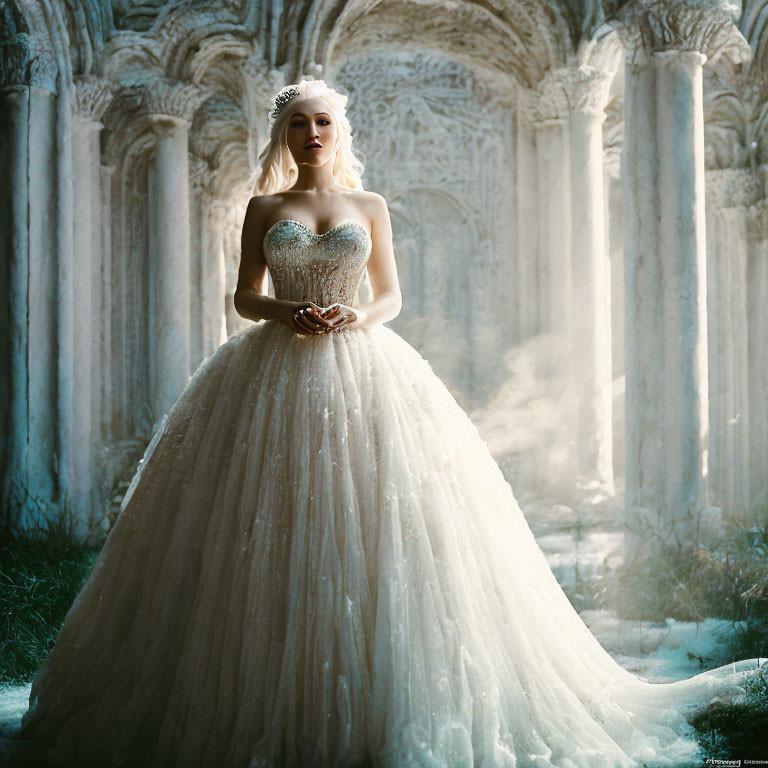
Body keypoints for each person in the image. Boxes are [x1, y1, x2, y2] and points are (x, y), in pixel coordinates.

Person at [13, 79, 764, 768]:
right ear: (284, 134)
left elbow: (393, 296)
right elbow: (242, 297)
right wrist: (287, 309)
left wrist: (356, 315)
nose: (312, 133)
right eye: (300, 123)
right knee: (260, 520)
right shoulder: (263, 210)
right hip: (273, 365)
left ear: (338, 133)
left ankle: (372, 697)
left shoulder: (368, 207)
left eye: (323, 123)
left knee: (377, 522)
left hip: (363, 364)